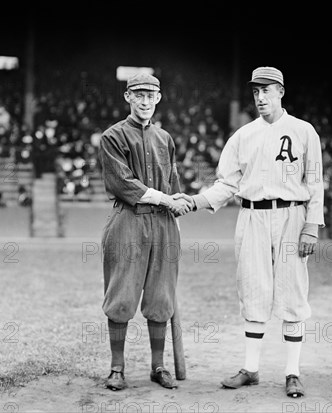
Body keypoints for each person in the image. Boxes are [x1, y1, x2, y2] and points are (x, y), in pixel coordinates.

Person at [175, 66, 325, 398]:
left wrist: (312, 226)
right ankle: (251, 368)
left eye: (266, 91)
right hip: (252, 215)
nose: (260, 97)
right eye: (255, 92)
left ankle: (292, 372)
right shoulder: (243, 136)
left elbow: (314, 182)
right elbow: (226, 184)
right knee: (253, 288)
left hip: (292, 216)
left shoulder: (304, 131)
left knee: (292, 291)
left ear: (281, 92)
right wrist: (196, 201)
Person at [98, 73, 192, 391]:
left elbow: (174, 185)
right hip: (128, 220)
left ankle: (158, 366)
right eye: (138, 94)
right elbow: (123, 184)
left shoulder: (165, 139)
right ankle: (117, 368)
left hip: (164, 224)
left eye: (150, 95)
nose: (144, 100)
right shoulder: (112, 137)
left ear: (159, 99)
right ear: (127, 97)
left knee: (160, 297)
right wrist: (166, 198)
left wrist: (176, 208)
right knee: (121, 295)